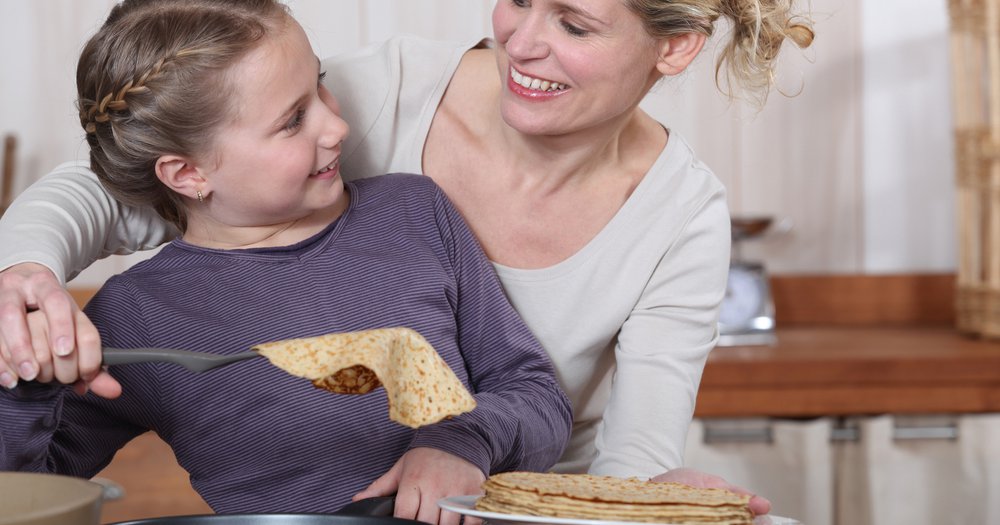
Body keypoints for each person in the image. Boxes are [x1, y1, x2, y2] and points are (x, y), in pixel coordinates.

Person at [0, 0, 814, 515]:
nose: (522, 42)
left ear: (672, 50)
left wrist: (644, 501)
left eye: (572, 21)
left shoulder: (410, 210)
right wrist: (23, 311)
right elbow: (33, 475)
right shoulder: (139, 314)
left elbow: (578, 427)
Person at [0, 1, 573, 524]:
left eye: (320, 85)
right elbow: (30, 490)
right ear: (189, 175)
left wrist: (460, 444)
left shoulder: (413, 212)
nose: (337, 126)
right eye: (292, 120)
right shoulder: (136, 317)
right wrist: (24, 386)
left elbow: (535, 394)